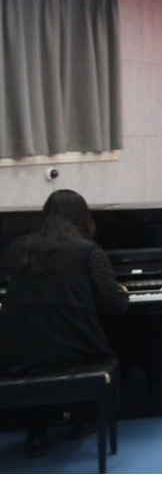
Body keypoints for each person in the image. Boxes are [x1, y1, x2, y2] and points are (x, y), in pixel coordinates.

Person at [0, 190, 130, 458]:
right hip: (73, 351)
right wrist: (122, 292)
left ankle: (36, 432)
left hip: (17, 351)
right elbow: (114, 304)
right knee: (105, 343)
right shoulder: (87, 250)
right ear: (83, 216)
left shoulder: (20, 247)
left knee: (39, 351)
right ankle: (83, 419)